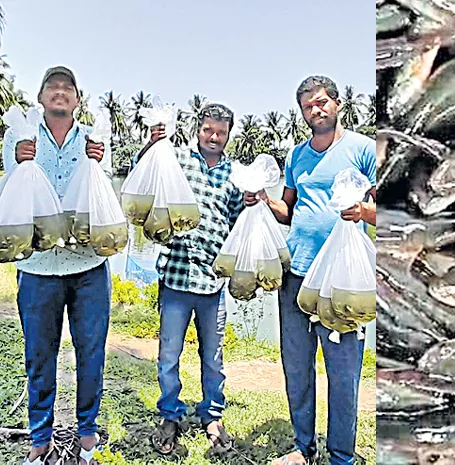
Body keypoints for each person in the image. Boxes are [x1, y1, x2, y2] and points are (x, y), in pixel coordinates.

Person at [245, 76, 376, 465]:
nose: (315, 110)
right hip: (297, 273)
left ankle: (341, 456)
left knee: (342, 372)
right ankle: (303, 448)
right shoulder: (297, 157)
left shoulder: (363, 149)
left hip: (342, 280)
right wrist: (264, 200)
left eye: (321, 102)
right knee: (297, 366)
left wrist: (364, 211)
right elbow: (289, 209)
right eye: (307, 106)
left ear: (337, 104)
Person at [2, 66, 112, 465]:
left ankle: (87, 441)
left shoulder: (94, 141)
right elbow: (10, 195)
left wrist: (100, 162)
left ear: (78, 101)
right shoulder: (19, 137)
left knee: (91, 354)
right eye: (53, 87)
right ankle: (39, 442)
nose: (61, 93)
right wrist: (16, 161)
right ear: (42, 98)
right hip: (38, 268)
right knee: (39, 356)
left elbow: (104, 195)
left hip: (89, 269)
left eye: (68, 88)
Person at [132, 103, 244, 455]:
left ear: (228, 135)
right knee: (169, 355)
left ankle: (212, 414)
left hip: (213, 280)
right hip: (176, 274)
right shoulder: (176, 159)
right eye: (208, 129)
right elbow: (145, 174)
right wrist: (153, 145)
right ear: (198, 129)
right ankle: (170, 413)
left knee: (213, 357)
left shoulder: (233, 176)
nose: (214, 137)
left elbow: (241, 222)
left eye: (221, 132)